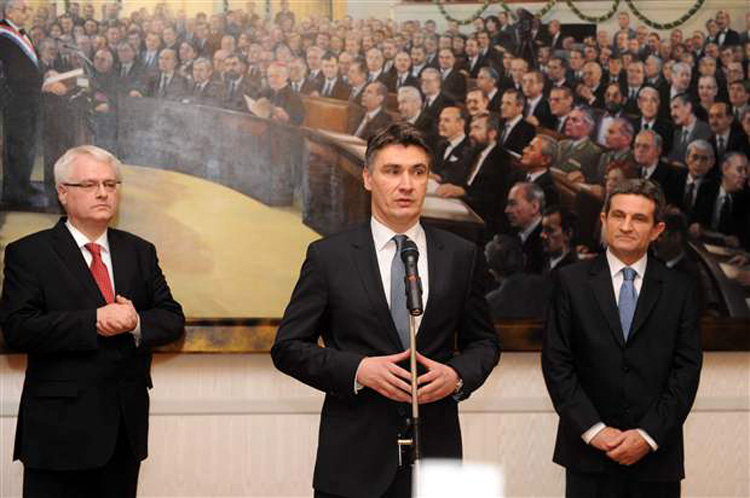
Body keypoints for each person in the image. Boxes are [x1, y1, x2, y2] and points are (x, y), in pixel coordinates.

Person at [271, 123, 500, 498]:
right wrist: (358, 370)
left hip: (436, 462)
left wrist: (457, 375)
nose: (406, 184)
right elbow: (288, 347)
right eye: (392, 171)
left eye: (418, 172)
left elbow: (484, 344)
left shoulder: (462, 256)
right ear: (367, 178)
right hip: (352, 466)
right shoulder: (329, 256)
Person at [0, 145, 185, 498]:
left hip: (123, 432)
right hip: (57, 433)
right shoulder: (29, 253)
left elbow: (172, 319)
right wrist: (92, 321)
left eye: (110, 184)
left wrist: (135, 322)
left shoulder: (139, 251)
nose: (103, 193)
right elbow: (17, 329)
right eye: (89, 184)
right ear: (62, 192)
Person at [543, 179, 702, 498]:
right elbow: (557, 363)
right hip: (588, 455)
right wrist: (595, 431)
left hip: (656, 457)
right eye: (618, 215)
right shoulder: (570, 282)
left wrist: (647, 435)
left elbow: (685, 372)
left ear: (657, 230)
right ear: (604, 220)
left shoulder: (681, 289)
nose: (626, 226)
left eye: (639, 218)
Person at [1, 0, 43, 207]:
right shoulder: (3, 34)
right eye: (23, 9)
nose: (27, 13)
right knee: (17, 145)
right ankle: (14, 192)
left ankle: (24, 184)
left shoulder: (22, 33)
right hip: (15, 100)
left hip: (31, 98)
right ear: (9, 11)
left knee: (28, 144)